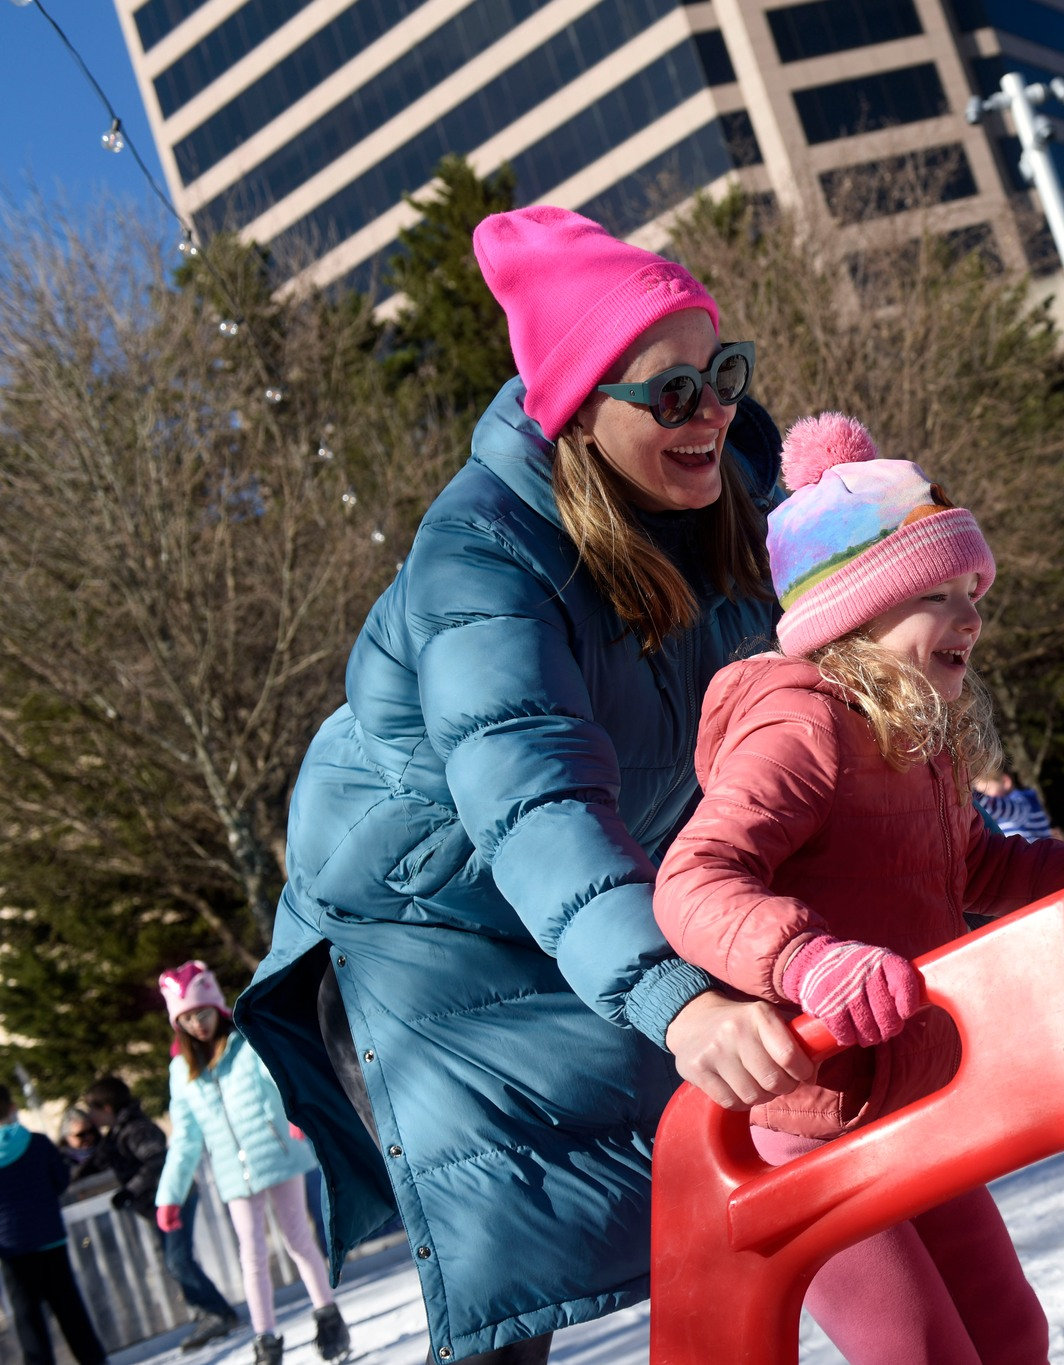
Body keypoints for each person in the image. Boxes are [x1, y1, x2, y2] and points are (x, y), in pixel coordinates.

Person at [232, 209, 812, 1365]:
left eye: (722, 375)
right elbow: (531, 795)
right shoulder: (482, 564)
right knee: (516, 1266)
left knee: (762, 1185)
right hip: (418, 927)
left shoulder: (730, 493)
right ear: (577, 408)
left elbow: (825, 684)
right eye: (672, 395)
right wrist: (676, 1000)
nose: (713, 415)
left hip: (586, 899)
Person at [655, 412, 1064, 1364]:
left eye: (972, 589)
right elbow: (693, 877)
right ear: (856, 617)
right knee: (919, 1349)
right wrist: (808, 961)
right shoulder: (802, 727)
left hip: (905, 1091)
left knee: (1011, 1331)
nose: (970, 615)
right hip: (804, 1119)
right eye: (936, 594)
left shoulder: (916, 736)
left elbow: (973, 868)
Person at [155, 964, 349, 1365]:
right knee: (252, 1254)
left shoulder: (245, 1043)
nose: (198, 1024)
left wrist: (299, 1118)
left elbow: (281, 1079)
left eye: (202, 1013)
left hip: (277, 1156)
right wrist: (169, 1195)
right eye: (187, 1018)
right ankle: (266, 1340)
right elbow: (186, 1137)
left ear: (217, 1008)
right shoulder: (182, 1071)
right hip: (232, 1172)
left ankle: (328, 1317)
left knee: (298, 1239)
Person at [78, 1076, 238, 1352]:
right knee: (172, 1260)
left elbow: (156, 1160)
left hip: (175, 1198)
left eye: (93, 1110)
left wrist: (130, 1190)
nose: (91, 1118)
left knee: (177, 1261)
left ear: (106, 1108)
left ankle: (217, 1312)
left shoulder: (137, 1130)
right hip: (157, 1205)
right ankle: (204, 1310)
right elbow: (94, 1164)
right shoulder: (116, 1134)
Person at [0, 1084, 104, 1365]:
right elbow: (60, 1180)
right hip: (49, 1238)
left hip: (12, 1250)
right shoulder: (37, 1143)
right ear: (12, 1108)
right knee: (71, 1312)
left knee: (28, 1321)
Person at [972, 771, 1060, 842]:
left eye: (986, 790)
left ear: (1005, 782)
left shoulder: (1022, 804)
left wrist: (971, 793)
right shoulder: (1000, 815)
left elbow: (994, 806)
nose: (986, 795)